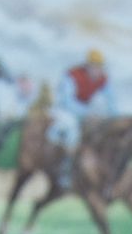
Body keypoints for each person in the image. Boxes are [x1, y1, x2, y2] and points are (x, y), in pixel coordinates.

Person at [47, 49, 117, 187]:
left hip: (84, 112)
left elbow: (112, 102)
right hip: (64, 111)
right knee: (72, 132)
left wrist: (115, 119)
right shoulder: (72, 75)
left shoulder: (102, 79)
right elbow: (66, 102)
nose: (98, 70)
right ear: (88, 65)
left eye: (100, 67)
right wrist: (87, 113)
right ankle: (65, 170)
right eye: (95, 66)